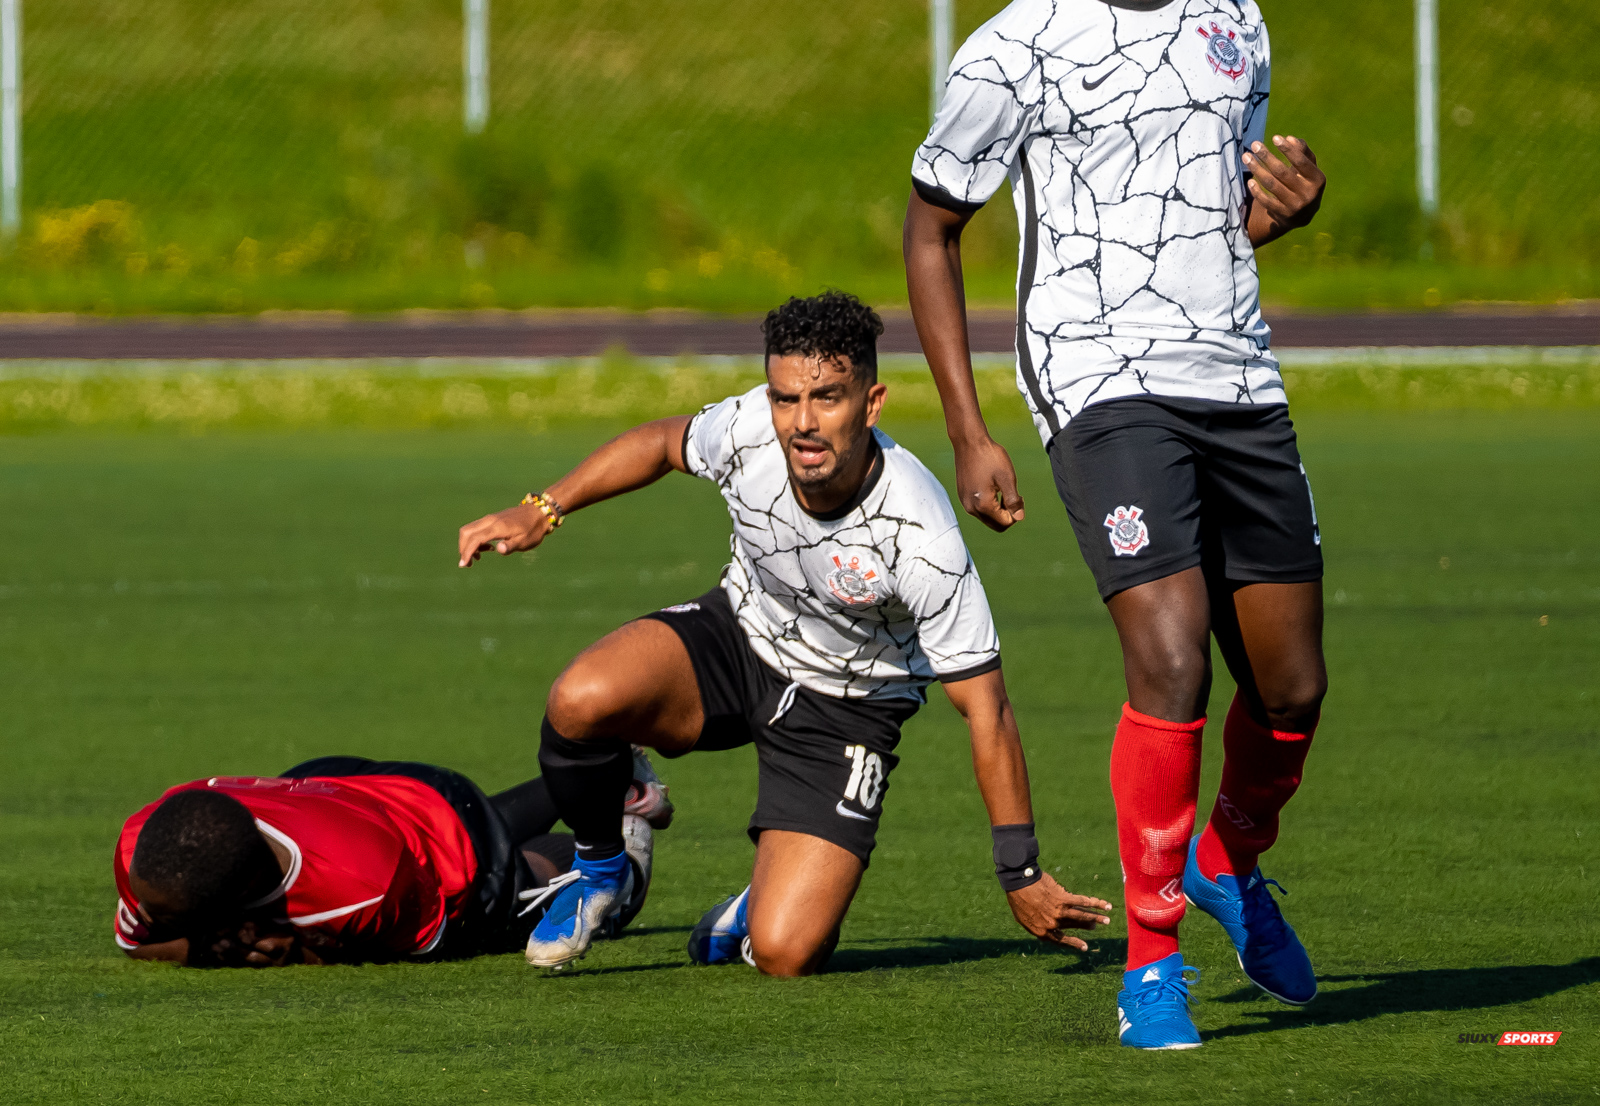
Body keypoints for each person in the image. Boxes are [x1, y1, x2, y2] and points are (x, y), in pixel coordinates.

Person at [456, 291, 1112, 976]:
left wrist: (1020, 869)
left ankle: (754, 906)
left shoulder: (920, 535)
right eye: (785, 398)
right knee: (580, 698)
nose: (802, 423)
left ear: (872, 401)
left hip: (846, 711)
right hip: (738, 639)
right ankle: (600, 870)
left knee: (784, 952)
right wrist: (544, 508)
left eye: (828, 398)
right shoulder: (748, 428)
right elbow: (658, 444)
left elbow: (988, 709)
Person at [903, 0, 1329, 1049]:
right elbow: (930, 231)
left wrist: (1290, 207)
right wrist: (968, 428)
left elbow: (1211, 217)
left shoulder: (1236, 18)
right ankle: (1152, 964)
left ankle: (1226, 854)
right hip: (1096, 375)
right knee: (1172, 656)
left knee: (1291, 686)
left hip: (1235, 373)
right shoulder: (1014, 44)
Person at [113, 752, 671, 966]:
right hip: (337, 796)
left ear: (239, 901)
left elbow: (428, 943)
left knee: (520, 894)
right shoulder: (146, 845)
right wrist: (207, 947)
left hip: (443, 845)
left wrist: (303, 954)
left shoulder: (361, 888)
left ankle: (626, 833)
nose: (142, 911)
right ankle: (610, 773)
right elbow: (134, 940)